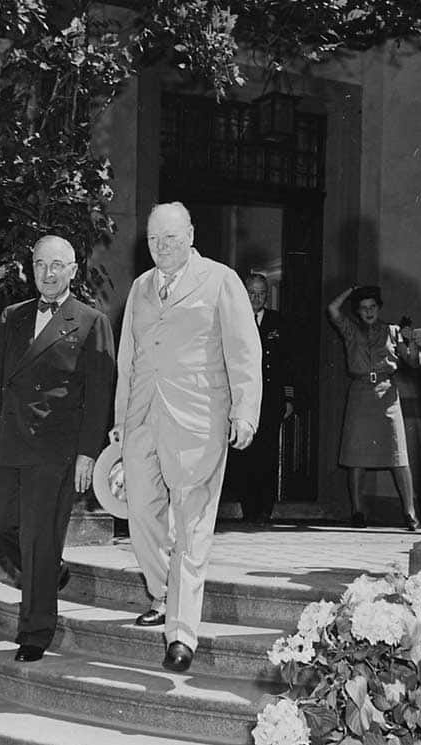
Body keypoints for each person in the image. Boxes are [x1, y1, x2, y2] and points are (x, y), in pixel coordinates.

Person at [111, 201, 262, 673]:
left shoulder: (220, 280)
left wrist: (245, 411)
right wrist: (120, 421)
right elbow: (127, 359)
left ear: (191, 234)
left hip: (199, 421)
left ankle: (181, 633)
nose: (162, 247)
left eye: (171, 238)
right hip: (142, 420)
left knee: (192, 527)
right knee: (139, 513)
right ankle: (161, 591)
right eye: (155, 239)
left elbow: (243, 350)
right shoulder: (140, 288)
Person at [0, 234, 115, 664]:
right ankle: (51, 572)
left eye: (57, 266)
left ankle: (35, 631)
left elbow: (99, 394)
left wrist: (89, 454)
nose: (47, 274)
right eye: (39, 265)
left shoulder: (91, 321)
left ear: (73, 271)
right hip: (12, 442)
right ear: (30, 268)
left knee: (38, 537)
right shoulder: (12, 317)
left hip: (56, 448)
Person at [326, 284, 420, 531]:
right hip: (360, 394)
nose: (368, 312)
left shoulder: (393, 331)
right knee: (356, 457)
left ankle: (410, 513)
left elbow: (413, 361)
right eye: (363, 308)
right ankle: (358, 511)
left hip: (387, 395)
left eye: (372, 307)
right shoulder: (350, 330)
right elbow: (332, 308)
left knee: (399, 456)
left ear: (378, 308)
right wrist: (351, 290)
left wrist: (410, 340)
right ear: (357, 311)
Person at [225, 273, 295, 524]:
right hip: (243, 399)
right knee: (244, 455)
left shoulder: (278, 322)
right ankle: (248, 508)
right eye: (252, 292)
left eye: (261, 293)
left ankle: (265, 509)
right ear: (244, 292)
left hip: (270, 399)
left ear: (267, 295)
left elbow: (288, 362)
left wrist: (288, 398)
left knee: (267, 455)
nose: (256, 298)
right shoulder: (233, 319)